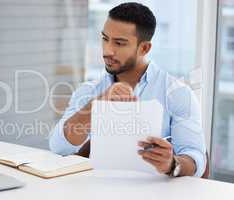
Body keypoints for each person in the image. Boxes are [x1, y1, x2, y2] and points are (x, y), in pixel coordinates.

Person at [49, 2, 206, 177]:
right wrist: (96, 105)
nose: (107, 51)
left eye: (120, 43)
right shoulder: (89, 91)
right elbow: (59, 147)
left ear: (144, 48)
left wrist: (172, 164)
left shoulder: (177, 93)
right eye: (105, 39)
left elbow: (195, 159)